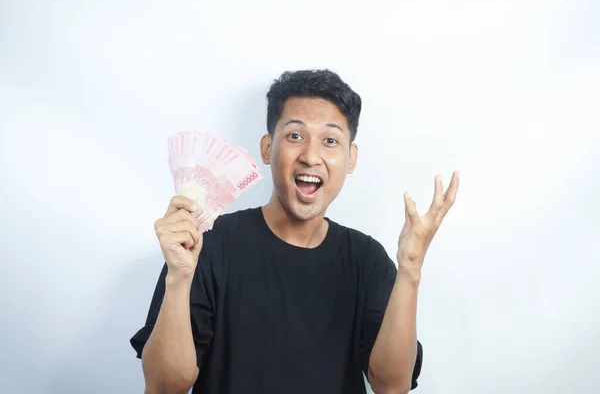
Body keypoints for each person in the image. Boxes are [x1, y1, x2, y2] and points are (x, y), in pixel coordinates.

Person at [130, 69, 460, 394]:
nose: (311, 156)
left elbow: (391, 385)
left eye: (330, 140)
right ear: (266, 147)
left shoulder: (367, 259)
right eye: (295, 136)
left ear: (351, 158)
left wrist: (411, 270)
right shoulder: (208, 243)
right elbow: (164, 387)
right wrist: (179, 277)